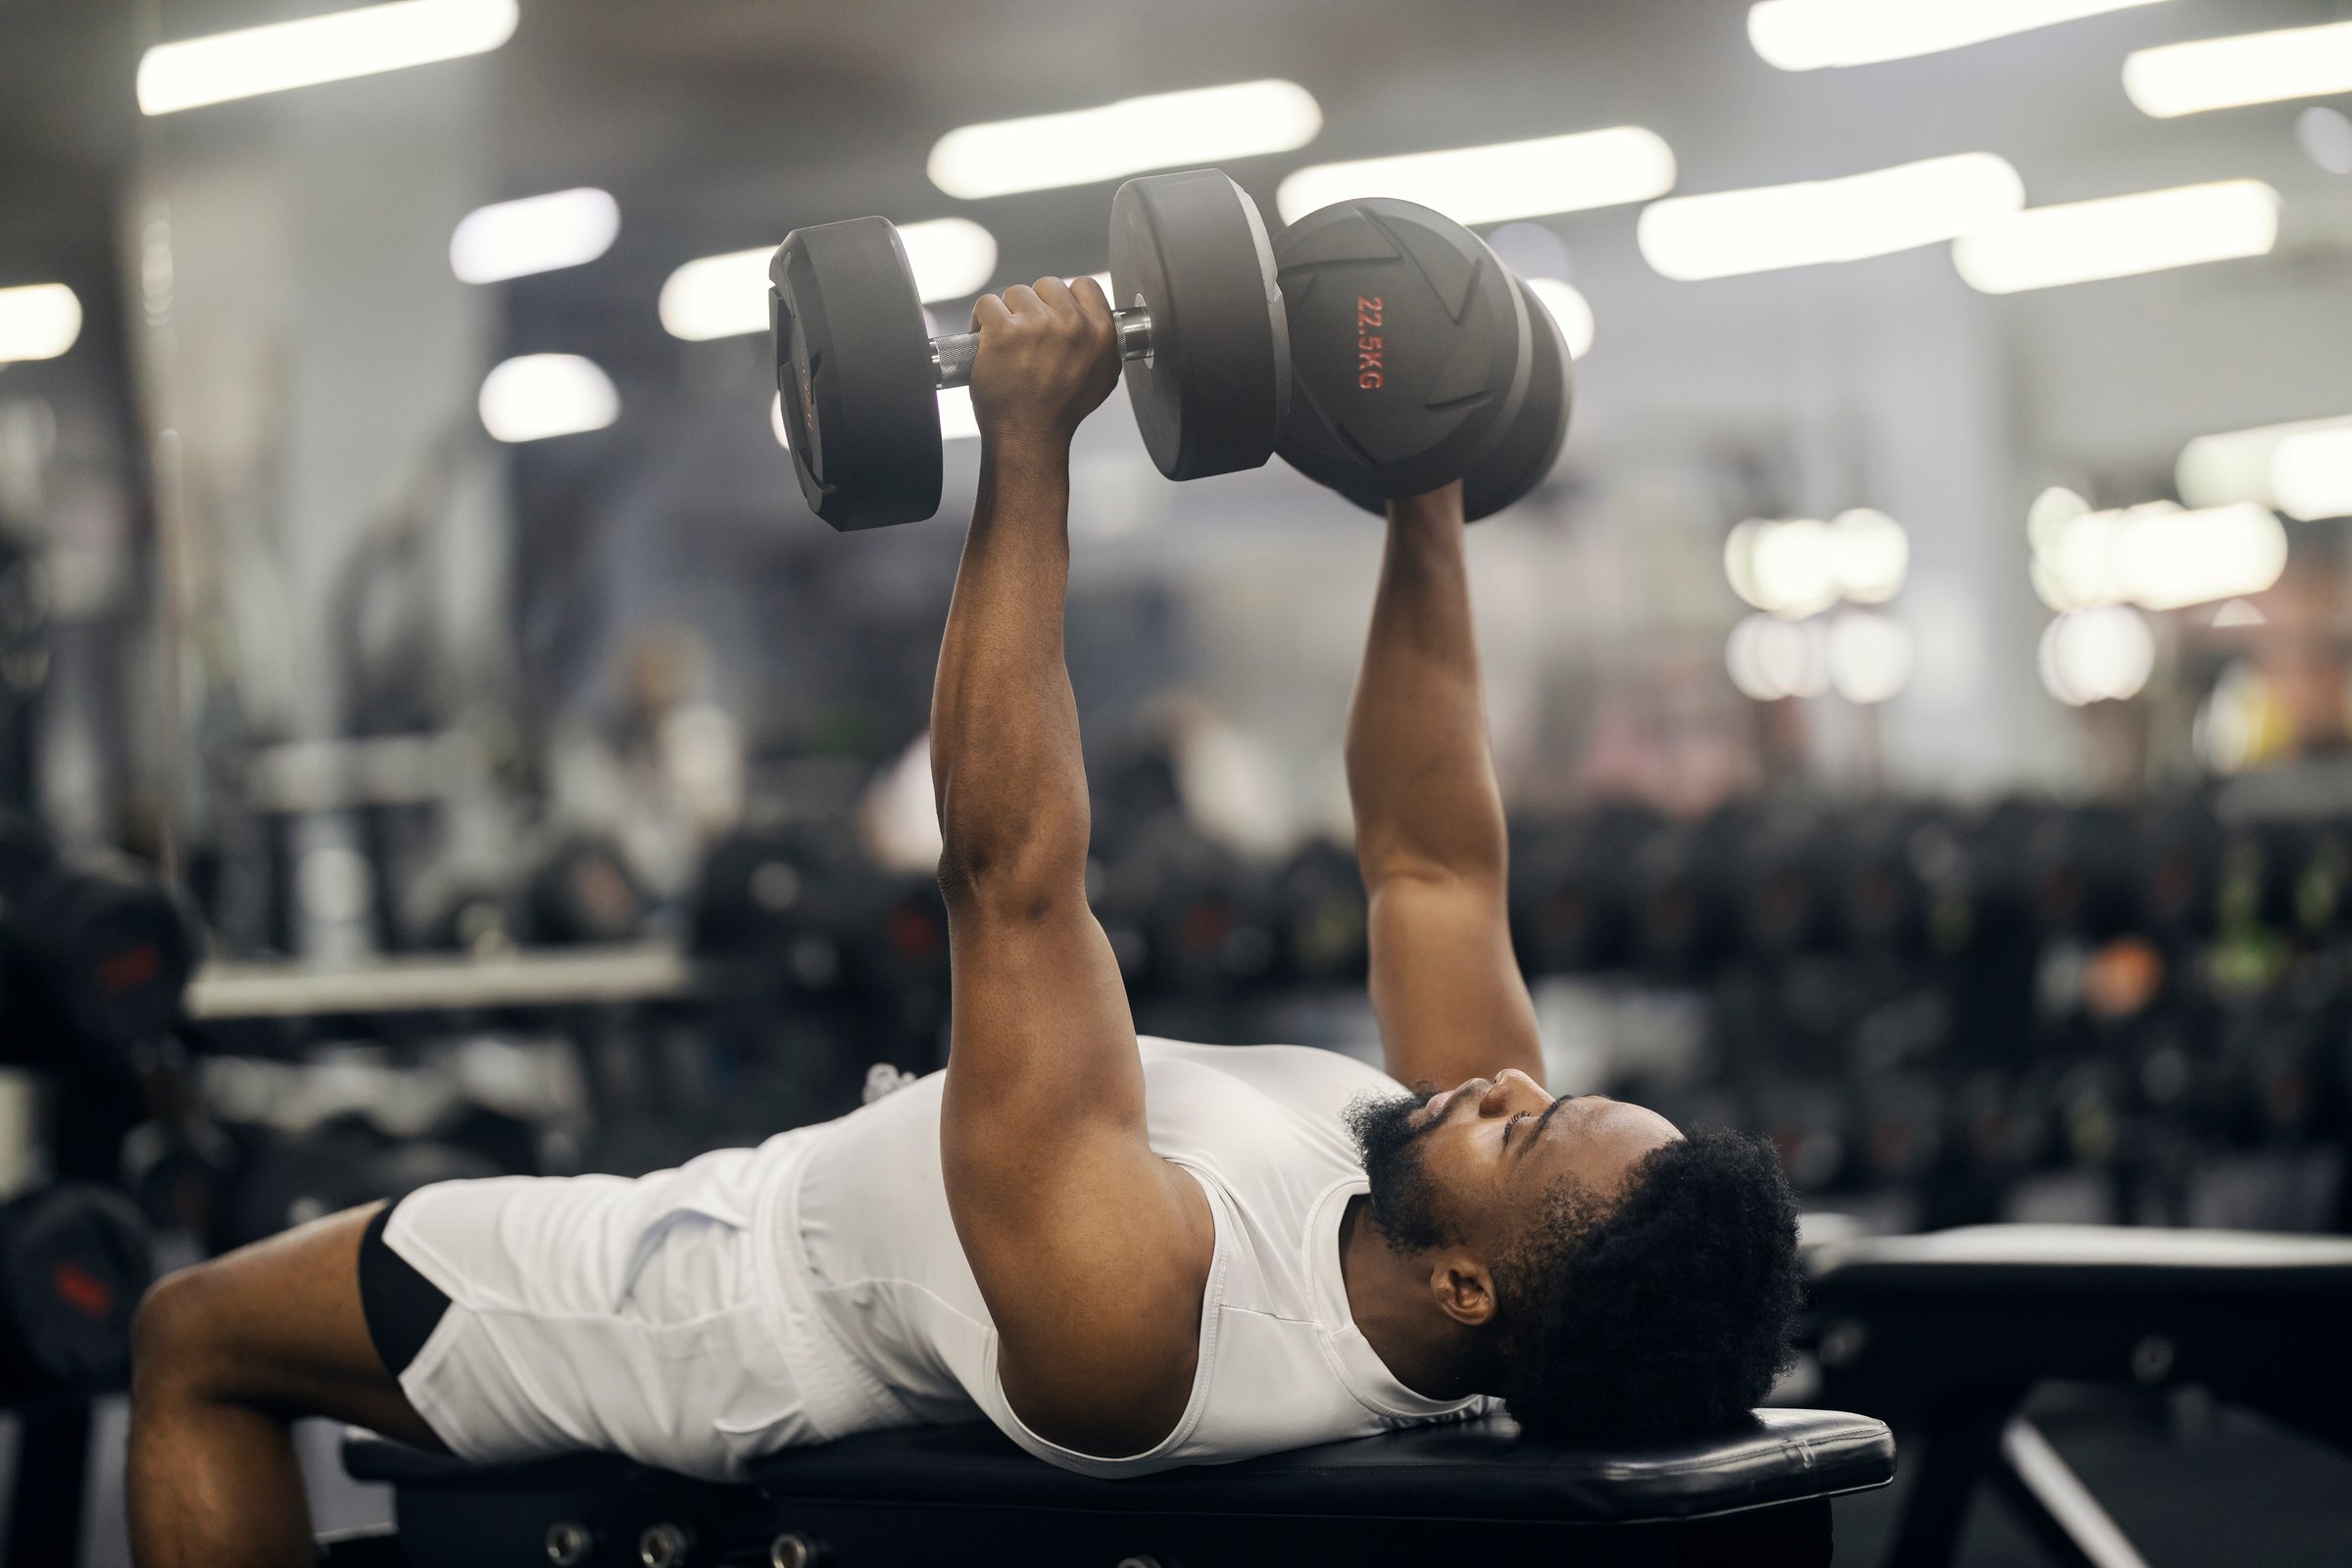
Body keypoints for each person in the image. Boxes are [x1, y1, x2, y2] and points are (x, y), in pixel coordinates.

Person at [123, 276, 1802, 1567]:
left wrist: (1021, 446)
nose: (1511, 1092)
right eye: (1550, 1098)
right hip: (831, 1202)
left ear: (1464, 1290)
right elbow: (1434, 860)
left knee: (194, 1334)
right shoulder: (1456, 1204)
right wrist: (1423, 481)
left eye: (1527, 1136)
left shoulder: (1145, 1311)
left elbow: (1009, 878)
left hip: (708, 1300)